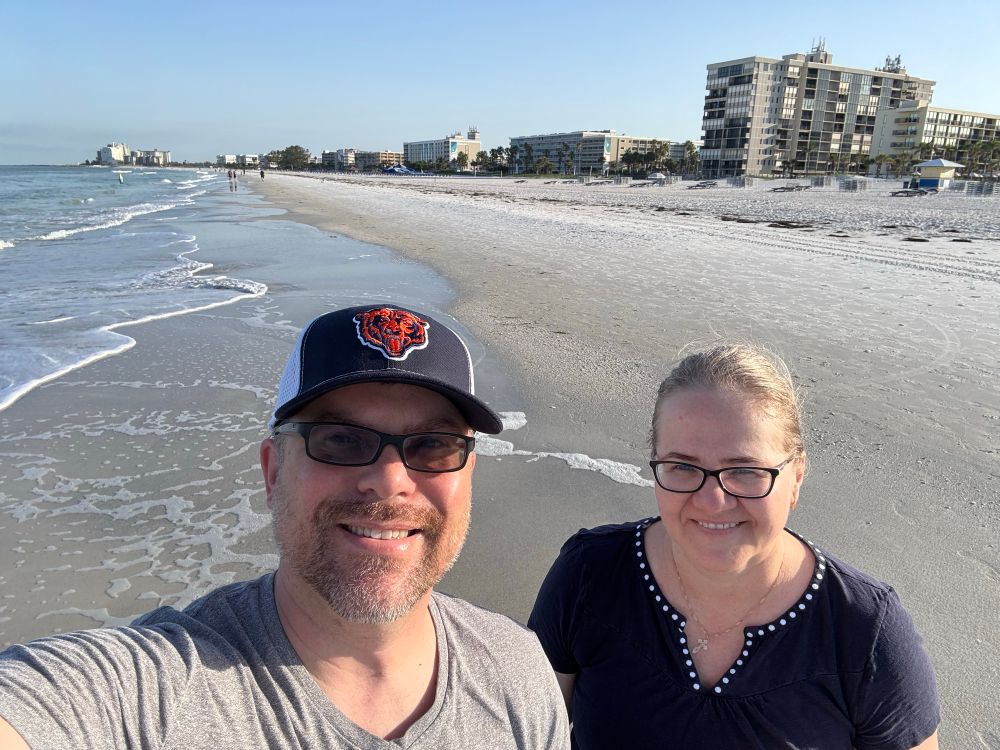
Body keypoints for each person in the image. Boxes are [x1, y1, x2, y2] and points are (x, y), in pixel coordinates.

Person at [0, 304, 570, 749]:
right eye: (340, 440)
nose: (389, 480)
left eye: (434, 445)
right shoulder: (159, 688)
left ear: (467, 475)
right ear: (273, 472)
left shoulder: (516, 667)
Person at [529, 343, 939, 749]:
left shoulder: (865, 633)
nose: (712, 501)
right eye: (683, 467)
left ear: (796, 477)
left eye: (744, 471)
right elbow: (528, 729)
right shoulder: (590, 575)